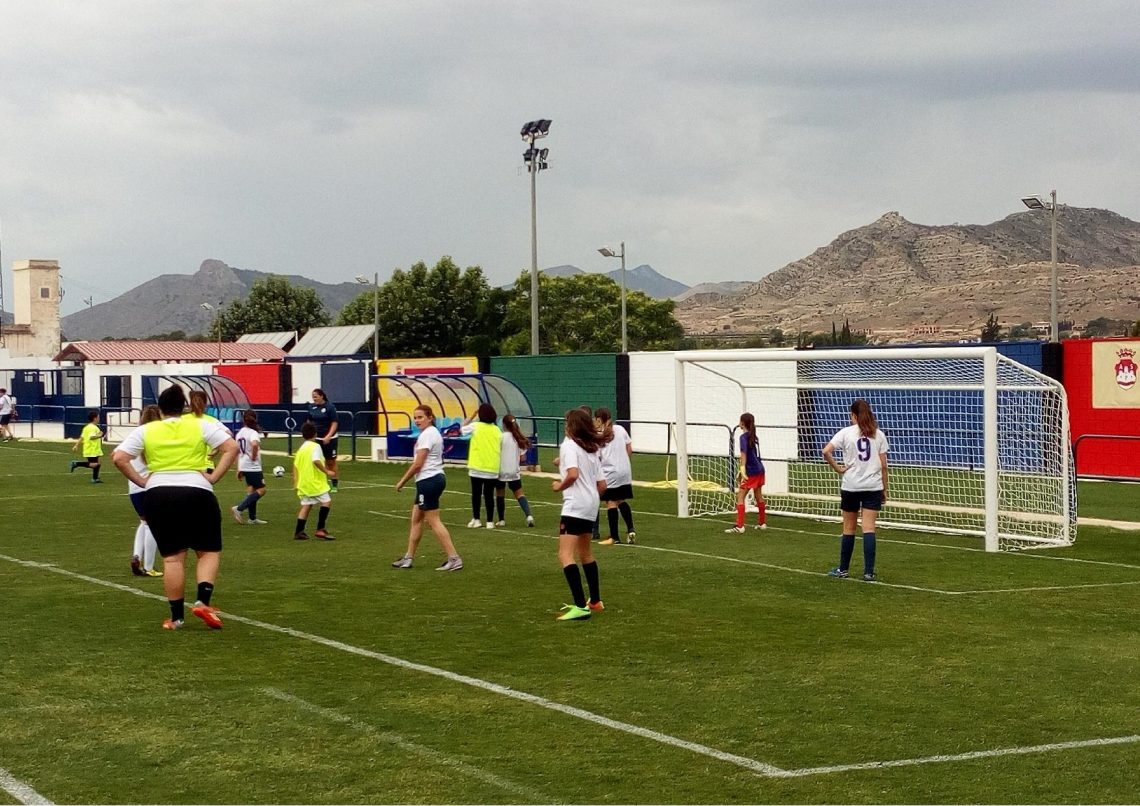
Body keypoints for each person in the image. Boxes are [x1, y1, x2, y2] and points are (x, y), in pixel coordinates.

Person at [112, 385, 238, 630]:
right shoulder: (200, 424)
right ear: (185, 408)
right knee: (208, 551)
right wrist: (214, 477)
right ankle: (202, 601)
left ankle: (177, 618)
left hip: (159, 493)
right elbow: (231, 447)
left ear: (160, 409)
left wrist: (142, 481)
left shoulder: (147, 429)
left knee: (172, 559)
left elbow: (118, 457)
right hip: (197, 490)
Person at [823, 399, 889, 582]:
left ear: (853, 415)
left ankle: (843, 569)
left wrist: (838, 468)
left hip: (851, 486)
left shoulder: (845, 433)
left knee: (848, 528)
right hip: (872, 486)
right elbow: (883, 466)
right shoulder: (879, 435)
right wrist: (884, 488)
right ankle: (868, 572)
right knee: (869, 528)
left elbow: (826, 451)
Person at [392, 404, 463, 571]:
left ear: (430, 417)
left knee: (433, 521)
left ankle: (454, 558)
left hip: (428, 481)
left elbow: (418, 464)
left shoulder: (427, 435)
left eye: (420, 417)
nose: (417, 420)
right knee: (416, 519)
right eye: (415, 417)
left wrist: (402, 481)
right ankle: (408, 558)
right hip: (432, 479)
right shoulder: (430, 434)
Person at [552, 408, 607, 621]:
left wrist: (559, 486)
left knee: (565, 554)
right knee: (586, 553)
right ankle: (595, 601)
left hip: (575, 504)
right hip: (591, 504)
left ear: (571, 425)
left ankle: (579, 606)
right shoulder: (592, 449)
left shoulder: (568, 445)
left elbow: (573, 474)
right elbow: (602, 485)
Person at [128, 405, 164, 577]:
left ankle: (136, 555)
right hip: (150, 486)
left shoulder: (134, 435)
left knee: (144, 523)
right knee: (153, 526)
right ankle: (149, 566)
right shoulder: (156, 436)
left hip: (134, 487)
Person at [595, 407, 636, 545]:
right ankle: (631, 529)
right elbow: (630, 449)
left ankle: (614, 537)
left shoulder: (599, 437)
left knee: (611, 502)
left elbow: (597, 457)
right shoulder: (620, 429)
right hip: (625, 471)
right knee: (621, 499)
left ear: (599, 420)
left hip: (610, 472)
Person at [292, 421, 335, 540]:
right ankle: (320, 529)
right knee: (327, 502)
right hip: (314, 482)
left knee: (307, 505)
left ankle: (299, 531)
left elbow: (295, 465)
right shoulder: (315, 446)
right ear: (315, 434)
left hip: (304, 483)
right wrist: (327, 471)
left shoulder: (301, 449)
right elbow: (316, 460)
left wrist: (295, 481)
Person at [461, 402, 501, 529]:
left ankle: (477, 519)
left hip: (477, 467)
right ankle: (490, 521)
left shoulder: (475, 426)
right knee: (489, 495)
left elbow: (462, 429)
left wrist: (471, 416)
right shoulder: (497, 430)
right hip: (492, 467)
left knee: (476, 494)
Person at [726, 412, 767, 533]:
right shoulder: (754, 436)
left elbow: (744, 455)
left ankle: (740, 526)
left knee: (740, 497)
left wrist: (742, 469)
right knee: (758, 495)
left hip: (752, 472)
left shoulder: (743, 437)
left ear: (742, 423)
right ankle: (762, 523)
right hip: (760, 469)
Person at [494, 414, 535, 527]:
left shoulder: (500, 437)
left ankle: (501, 520)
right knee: (520, 494)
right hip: (514, 471)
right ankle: (529, 516)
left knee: (500, 494)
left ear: (503, 425)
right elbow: (523, 458)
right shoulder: (517, 438)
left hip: (501, 470)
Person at [232, 410, 268, 525]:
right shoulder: (253, 433)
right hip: (253, 466)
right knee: (262, 490)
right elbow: (254, 444)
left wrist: (239, 468)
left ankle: (252, 518)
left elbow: (237, 450)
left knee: (251, 489)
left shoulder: (239, 433)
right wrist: (253, 456)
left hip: (244, 464)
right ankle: (239, 508)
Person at [306, 388, 339, 492]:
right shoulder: (311, 407)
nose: (314, 398)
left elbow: (334, 423)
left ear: (321, 396)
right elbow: (309, 421)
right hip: (316, 438)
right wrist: (309, 435)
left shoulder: (330, 407)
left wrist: (328, 436)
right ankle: (322, 482)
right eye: (313, 396)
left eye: (315, 396)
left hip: (329, 439)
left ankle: (334, 484)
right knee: (318, 460)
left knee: (330, 461)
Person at [70, 410, 105, 483]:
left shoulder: (87, 427)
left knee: (99, 462)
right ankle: (76, 464)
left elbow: (82, 437)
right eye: (98, 417)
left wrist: (76, 445)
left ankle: (95, 479)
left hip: (95, 449)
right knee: (94, 465)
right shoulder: (92, 428)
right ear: (95, 418)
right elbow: (91, 437)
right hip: (91, 449)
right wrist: (100, 435)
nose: (99, 418)